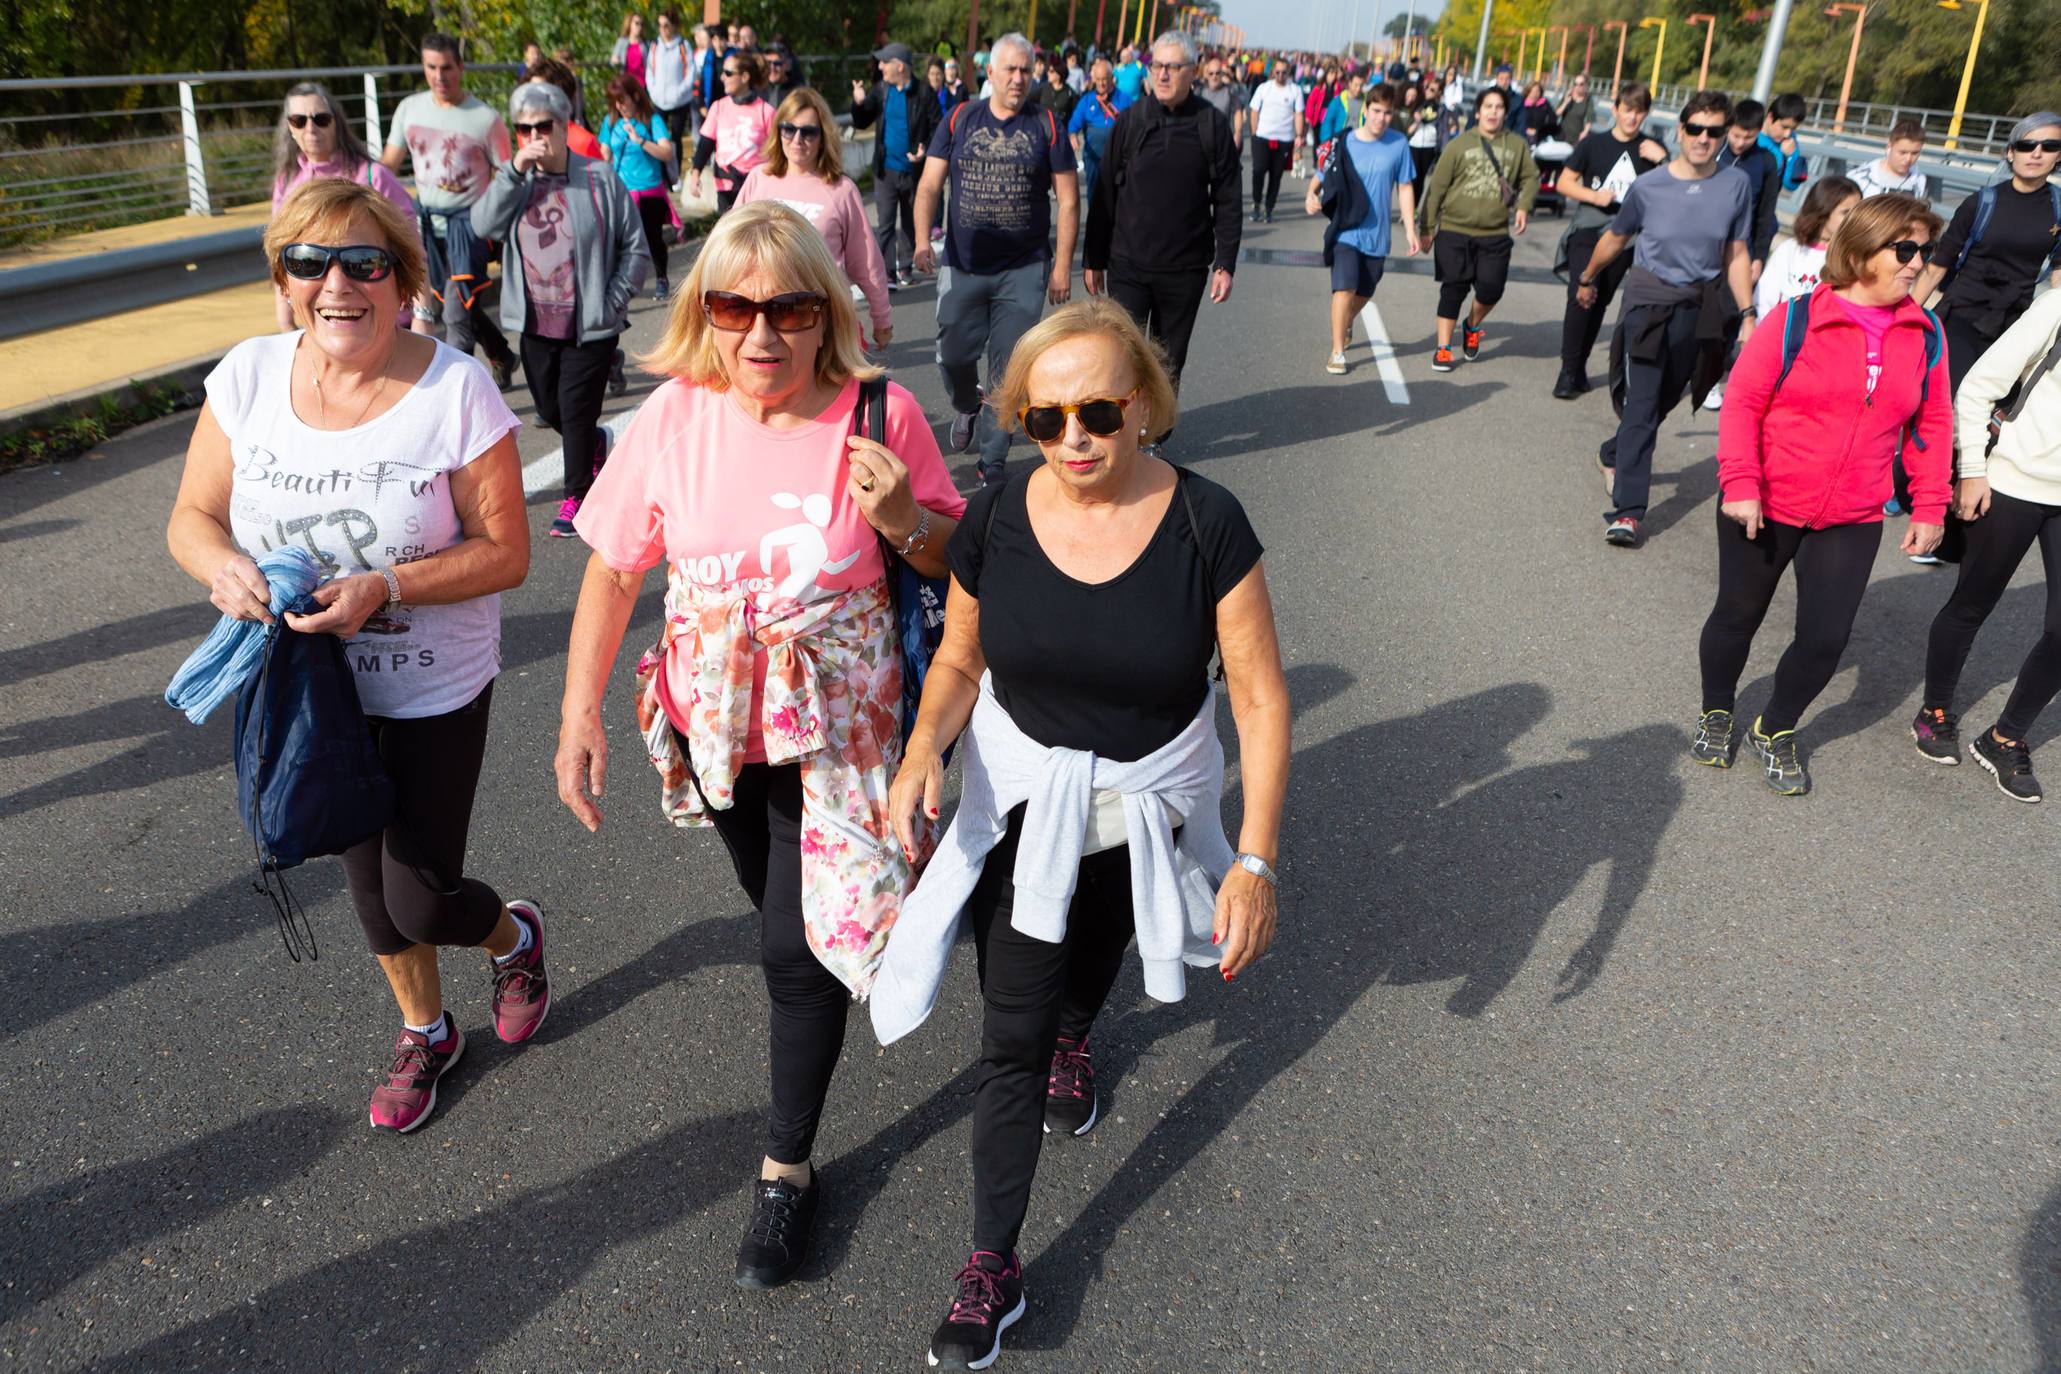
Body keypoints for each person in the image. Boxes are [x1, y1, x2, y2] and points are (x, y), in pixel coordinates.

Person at [870, 298, 1288, 1370]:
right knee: (1007, 1033)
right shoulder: (1001, 512)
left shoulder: (1208, 523)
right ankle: (991, 1264)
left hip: (1150, 802)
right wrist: (924, 749)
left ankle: (1077, 1036)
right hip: (1023, 799)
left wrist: (1253, 859)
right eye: (1045, 419)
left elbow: (1259, 698)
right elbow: (960, 659)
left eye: (1098, 411)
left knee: (1096, 951)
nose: (1074, 439)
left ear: (1143, 405)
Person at [555, 202, 964, 1289]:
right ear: (706, 313)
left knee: (791, 952)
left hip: (841, 741)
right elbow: (611, 568)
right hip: (716, 729)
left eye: (788, 308)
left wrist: (902, 522)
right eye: (734, 307)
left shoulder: (882, 412)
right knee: (782, 916)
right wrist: (577, 715)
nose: (761, 334)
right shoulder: (676, 418)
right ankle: (831, 938)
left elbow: (954, 564)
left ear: (824, 312)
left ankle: (785, 1175)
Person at [166, 177, 538, 1135]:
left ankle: (512, 936)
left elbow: (508, 552)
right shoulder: (247, 377)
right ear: (284, 280)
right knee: (369, 902)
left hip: (429, 687)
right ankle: (428, 1030)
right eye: (309, 261)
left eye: (364, 262)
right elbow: (192, 518)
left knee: (420, 899)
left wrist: (389, 585)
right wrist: (225, 572)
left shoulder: (454, 390)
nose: (338, 282)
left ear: (400, 279)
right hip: (304, 685)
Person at [1695, 194, 1948, 794]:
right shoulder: (1797, 318)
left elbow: (1933, 424)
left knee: (1826, 638)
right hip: (1764, 499)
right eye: (1904, 249)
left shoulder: (1926, 331)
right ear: (1861, 251)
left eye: (1924, 250)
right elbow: (1743, 402)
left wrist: (1931, 504)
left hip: (1853, 512)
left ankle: (1774, 726)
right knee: (1738, 615)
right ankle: (1716, 710)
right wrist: (1740, 482)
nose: (1916, 263)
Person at [1577, 90, 1755, 548]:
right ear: (1680, 131)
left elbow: (1736, 252)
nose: (1703, 138)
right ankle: (1629, 512)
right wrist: (1588, 275)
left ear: (1724, 137)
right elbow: (1617, 238)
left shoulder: (1736, 186)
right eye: (1695, 129)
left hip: (1700, 306)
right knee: (1642, 401)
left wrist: (1750, 312)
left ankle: (1615, 452)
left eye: (1714, 131)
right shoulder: (1649, 186)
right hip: (1648, 304)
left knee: (1671, 395)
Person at [474, 81, 649, 538]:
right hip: (535, 322)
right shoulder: (516, 181)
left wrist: (613, 302)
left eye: (543, 125)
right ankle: (593, 444)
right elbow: (482, 224)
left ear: (563, 125)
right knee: (551, 410)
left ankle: (579, 495)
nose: (534, 135)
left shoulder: (598, 177)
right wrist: (513, 171)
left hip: (590, 324)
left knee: (574, 410)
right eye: (523, 127)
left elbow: (636, 248)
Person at [1916, 273, 2061, 800]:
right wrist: (1973, 469)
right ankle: (1935, 709)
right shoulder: (2055, 308)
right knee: (1973, 604)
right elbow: (1977, 387)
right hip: (2015, 482)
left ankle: (2005, 738)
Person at [914, 32, 1080, 485]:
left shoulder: (1046, 124)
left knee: (1009, 368)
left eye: (1026, 70)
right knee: (952, 356)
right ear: (989, 73)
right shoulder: (959, 119)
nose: (1018, 78)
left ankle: (993, 462)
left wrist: (1062, 265)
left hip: (1024, 268)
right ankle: (968, 403)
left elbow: (1068, 200)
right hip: (963, 263)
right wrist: (920, 240)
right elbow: (929, 185)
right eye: (1009, 69)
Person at [1083, 31, 1241, 392]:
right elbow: (1104, 192)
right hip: (1128, 266)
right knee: (1124, 355)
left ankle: (1153, 434)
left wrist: (1225, 263)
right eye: (1157, 66)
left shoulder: (1211, 124)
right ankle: (1123, 433)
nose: (1163, 74)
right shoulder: (1131, 120)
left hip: (1183, 271)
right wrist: (1093, 258)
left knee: (1168, 360)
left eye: (1173, 66)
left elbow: (1229, 198)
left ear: (1193, 71)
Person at [381, 33, 520, 389]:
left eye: (446, 68)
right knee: (461, 304)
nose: (439, 76)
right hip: (424, 223)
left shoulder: (485, 119)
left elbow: (508, 178)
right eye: (431, 68)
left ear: (460, 67)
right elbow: (386, 169)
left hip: (469, 226)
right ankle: (501, 353)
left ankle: (450, 391)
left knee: (455, 314)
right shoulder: (409, 109)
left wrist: (506, 232)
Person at [1909, 113, 2061, 395]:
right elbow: (1938, 266)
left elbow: (2058, 277)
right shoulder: (1980, 203)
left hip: (2014, 325)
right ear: (2010, 152)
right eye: (2027, 145)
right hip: (1962, 315)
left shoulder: (2059, 209)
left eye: (2049, 146)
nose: (2036, 153)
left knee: (1987, 407)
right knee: (1950, 397)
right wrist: (1905, 319)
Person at [739, 87, 893, 349]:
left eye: (809, 132)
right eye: (789, 129)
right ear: (778, 131)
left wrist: (882, 318)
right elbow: (730, 248)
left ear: (823, 136)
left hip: (824, 324)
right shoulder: (758, 179)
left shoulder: (841, 189)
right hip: (765, 320)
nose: (798, 139)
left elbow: (866, 262)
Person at [270, 82, 417, 332]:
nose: (311, 128)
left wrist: (422, 314)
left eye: (320, 119)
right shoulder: (286, 183)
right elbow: (280, 255)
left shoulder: (373, 176)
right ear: (289, 128)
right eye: (299, 120)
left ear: (336, 122)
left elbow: (414, 248)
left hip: (381, 322)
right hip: (320, 322)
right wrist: (285, 322)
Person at [1551, 82, 1667, 398]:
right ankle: (1567, 370)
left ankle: (1580, 365)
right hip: (1589, 227)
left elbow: (1675, 187)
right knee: (1581, 293)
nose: (1632, 118)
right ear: (1615, 109)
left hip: (1627, 236)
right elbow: (1564, 182)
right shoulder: (1593, 145)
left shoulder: (1652, 149)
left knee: (1599, 299)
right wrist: (1593, 195)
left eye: (1639, 111)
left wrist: (1663, 160)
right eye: (1627, 110)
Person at [1419, 86, 1536, 373]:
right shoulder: (1459, 145)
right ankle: (1443, 348)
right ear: (1478, 111)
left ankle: (1472, 324)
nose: (1493, 112)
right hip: (1454, 229)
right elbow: (1437, 188)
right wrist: (1427, 226)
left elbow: (1531, 177)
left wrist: (1523, 206)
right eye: (1488, 106)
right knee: (1453, 289)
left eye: (1498, 107)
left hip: (1494, 233)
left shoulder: (1517, 145)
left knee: (1491, 288)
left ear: (1505, 112)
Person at [1307, 81, 1419, 375]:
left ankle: (1346, 320)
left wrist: (1410, 228)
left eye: (1387, 113)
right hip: (1347, 228)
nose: (1381, 118)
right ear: (1366, 110)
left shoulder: (1398, 144)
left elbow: (1405, 187)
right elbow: (1323, 171)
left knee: (1365, 290)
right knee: (1344, 286)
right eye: (1376, 111)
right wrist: (1310, 193)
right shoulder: (1345, 141)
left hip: (1378, 233)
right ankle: (1337, 351)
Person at [851, 42, 940, 292]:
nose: (880, 67)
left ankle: (905, 266)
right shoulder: (881, 90)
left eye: (884, 62)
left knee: (912, 221)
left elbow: (937, 125)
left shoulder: (923, 92)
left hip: (913, 171)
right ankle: (887, 271)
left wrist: (926, 148)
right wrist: (858, 103)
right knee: (886, 223)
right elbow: (862, 120)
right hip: (885, 170)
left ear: (900, 67)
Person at [599, 73, 678, 301]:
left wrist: (641, 142)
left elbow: (667, 153)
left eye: (622, 100)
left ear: (635, 96)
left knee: (652, 238)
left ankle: (661, 278)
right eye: (615, 101)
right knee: (617, 240)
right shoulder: (610, 121)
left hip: (648, 192)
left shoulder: (652, 121)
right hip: (620, 192)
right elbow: (604, 152)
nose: (619, 105)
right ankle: (620, 282)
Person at [1754, 175, 1860, 318]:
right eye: (1845, 212)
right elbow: (1763, 302)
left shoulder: (1855, 258)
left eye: (1857, 212)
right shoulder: (1789, 250)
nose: (1854, 219)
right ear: (1823, 211)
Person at [691, 49, 776, 215]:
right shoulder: (718, 107)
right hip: (726, 186)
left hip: (756, 187)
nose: (722, 77)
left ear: (744, 77)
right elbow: (705, 145)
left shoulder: (766, 111)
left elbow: (778, 152)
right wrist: (695, 175)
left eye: (728, 73)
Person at [1715, 99, 1781, 280]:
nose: (1740, 143)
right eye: (1736, 136)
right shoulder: (1714, 150)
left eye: (1748, 137)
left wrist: (1759, 257)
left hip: (1741, 245)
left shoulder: (1766, 161)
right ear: (1728, 128)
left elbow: (1766, 212)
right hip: (1707, 242)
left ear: (1759, 132)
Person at [1246, 59, 1304, 223]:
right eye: (1277, 72)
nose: (1280, 75)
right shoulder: (1264, 88)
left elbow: (1299, 114)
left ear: (1289, 73)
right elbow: (1254, 111)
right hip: (1262, 137)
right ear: (1273, 72)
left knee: (1276, 176)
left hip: (1284, 139)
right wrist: (1254, 132)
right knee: (1258, 171)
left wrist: (1299, 135)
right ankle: (1256, 204)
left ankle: (1268, 208)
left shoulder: (1295, 90)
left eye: (1284, 72)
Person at [1066, 59, 1128, 212]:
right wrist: (1073, 135)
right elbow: (1074, 122)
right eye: (1098, 79)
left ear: (1111, 78)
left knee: (1117, 198)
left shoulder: (1124, 99)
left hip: (1118, 159)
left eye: (1104, 79)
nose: (1101, 83)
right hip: (1093, 159)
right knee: (1094, 197)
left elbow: (1134, 124)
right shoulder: (1087, 100)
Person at [645, 9, 694, 186]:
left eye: (666, 25)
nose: (663, 29)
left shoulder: (683, 45)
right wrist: (653, 90)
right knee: (658, 136)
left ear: (673, 26)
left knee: (676, 137)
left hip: (680, 100)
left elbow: (690, 72)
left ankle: (675, 176)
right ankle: (660, 173)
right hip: (659, 100)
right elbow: (650, 71)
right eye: (660, 25)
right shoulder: (655, 46)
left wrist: (680, 91)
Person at [1852, 119, 1927, 200]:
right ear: (1889, 147)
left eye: (1914, 153)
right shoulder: (1859, 177)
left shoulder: (1920, 180)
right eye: (1903, 152)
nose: (1908, 159)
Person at [1407, 71, 1456, 186]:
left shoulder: (1441, 109)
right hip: (1414, 143)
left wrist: (1442, 150)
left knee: (1421, 179)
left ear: (1439, 93)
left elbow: (1444, 131)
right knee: (1411, 177)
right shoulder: (1418, 102)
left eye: (1433, 90)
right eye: (1428, 87)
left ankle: (1414, 204)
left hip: (1429, 145)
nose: (1428, 91)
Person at [1758, 92, 1809, 192]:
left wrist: (1792, 156)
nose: (1787, 134)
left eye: (1793, 129)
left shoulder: (1790, 141)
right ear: (1770, 116)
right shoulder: (1750, 136)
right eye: (1784, 127)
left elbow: (1791, 185)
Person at [1316, 68, 1366, 146]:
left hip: (1359, 144)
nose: (1358, 89)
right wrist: (1326, 142)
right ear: (1349, 83)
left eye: (1361, 85)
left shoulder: (1367, 103)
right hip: (1339, 144)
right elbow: (1327, 123)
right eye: (1356, 85)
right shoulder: (1337, 101)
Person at [1033, 48, 1081, 129]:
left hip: (1060, 132)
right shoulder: (1043, 88)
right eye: (1048, 70)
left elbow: (1077, 114)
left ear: (1059, 74)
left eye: (1051, 71)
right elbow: (1028, 102)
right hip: (1042, 131)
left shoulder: (1069, 92)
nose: (1048, 73)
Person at [1556, 72, 1597, 143]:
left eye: (1581, 84)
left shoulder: (1588, 99)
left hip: (1576, 137)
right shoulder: (1568, 95)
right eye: (1575, 84)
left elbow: (1589, 119)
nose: (1578, 86)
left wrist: (1585, 132)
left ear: (1586, 85)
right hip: (1561, 135)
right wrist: (1565, 102)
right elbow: (1557, 114)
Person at [1516, 79, 1557, 145]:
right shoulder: (1521, 103)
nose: (1535, 94)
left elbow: (1553, 119)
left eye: (1538, 91)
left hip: (1539, 137)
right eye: (1533, 91)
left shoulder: (1544, 103)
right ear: (1528, 92)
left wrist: (1542, 131)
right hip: (1522, 135)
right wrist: (1526, 130)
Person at [612, 13, 648, 84]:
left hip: (642, 84)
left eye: (641, 24)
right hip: (626, 84)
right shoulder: (621, 42)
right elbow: (612, 62)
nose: (639, 26)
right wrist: (614, 60)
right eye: (637, 23)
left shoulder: (646, 44)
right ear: (630, 24)